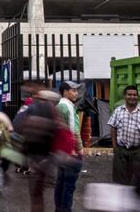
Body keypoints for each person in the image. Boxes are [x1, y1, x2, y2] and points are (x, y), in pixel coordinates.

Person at [108, 85, 140, 188]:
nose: (132, 97)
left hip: (139, 151)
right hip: (121, 151)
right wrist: (115, 147)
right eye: (129, 94)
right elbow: (113, 128)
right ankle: (123, 201)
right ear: (125, 96)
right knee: (121, 182)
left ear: (137, 96)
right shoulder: (118, 111)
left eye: (135, 95)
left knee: (139, 181)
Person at [54, 81, 84, 212]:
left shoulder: (58, 106)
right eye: (73, 90)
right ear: (65, 92)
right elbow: (74, 131)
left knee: (60, 184)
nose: (76, 93)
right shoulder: (68, 107)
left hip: (61, 151)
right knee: (69, 186)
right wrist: (80, 150)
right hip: (70, 153)